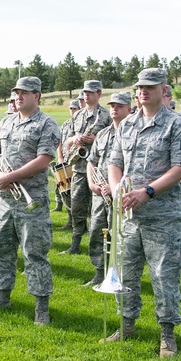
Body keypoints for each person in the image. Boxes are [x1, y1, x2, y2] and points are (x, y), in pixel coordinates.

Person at [106, 68, 181, 356]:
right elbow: (114, 161)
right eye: (140, 87)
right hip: (129, 216)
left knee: (163, 275)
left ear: (164, 90)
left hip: (162, 215)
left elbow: (180, 168)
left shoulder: (176, 125)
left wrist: (148, 192)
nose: (143, 91)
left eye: (150, 87)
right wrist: (118, 188)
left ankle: (167, 334)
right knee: (126, 272)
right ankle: (127, 323)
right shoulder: (127, 124)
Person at [0, 76, 60, 325]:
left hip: (30, 200)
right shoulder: (6, 121)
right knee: (0, 249)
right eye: (16, 92)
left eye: (24, 92)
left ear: (37, 96)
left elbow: (44, 159)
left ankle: (41, 307)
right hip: (4, 199)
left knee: (34, 253)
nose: (18, 96)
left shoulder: (47, 124)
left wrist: (10, 176)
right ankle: (2, 297)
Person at [61, 80, 112, 256]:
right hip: (79, 168)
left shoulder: (106, 116)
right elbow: (66, 140)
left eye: (91, 92)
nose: (87, 95)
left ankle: (98, 245)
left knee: (97, 211)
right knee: (77, 207)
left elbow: (113, 140)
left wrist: (95, 139)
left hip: (98, 171)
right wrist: (74, 139)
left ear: (99, 94)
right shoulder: (77, 115)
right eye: (85, 92)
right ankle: (75, 244)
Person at [85, 91, 131, 285]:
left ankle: (120, 273)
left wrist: (116, 189)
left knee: (120, 236)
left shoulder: (132, 133)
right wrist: (92, 184)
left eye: (119, 106)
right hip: (100, 195)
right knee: (96, 232)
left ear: (129, 109)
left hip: (122, 195)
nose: (114, 109)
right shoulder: (103, 134)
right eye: (112, 106)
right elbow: (91, 162)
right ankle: (99, 271)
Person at [54, 99, 80, 217]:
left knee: (74, 191)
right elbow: (59, 141)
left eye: (75, 108)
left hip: (76, 161)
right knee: (63, 187)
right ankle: (68, 216)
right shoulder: (65, 124)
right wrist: (60, 157)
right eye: (71, 108)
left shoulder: (80, 124)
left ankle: (76, 219)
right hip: (64, 159)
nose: (73, 110)